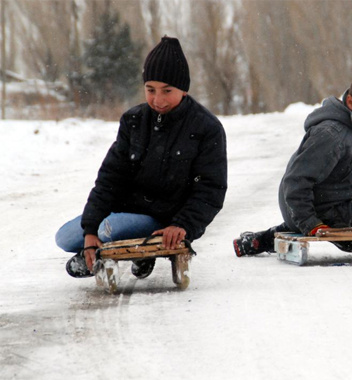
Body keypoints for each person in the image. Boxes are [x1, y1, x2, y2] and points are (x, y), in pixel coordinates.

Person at [56, 36, 227, 279]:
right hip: (125, 211)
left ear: (183, 89)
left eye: (167, 91)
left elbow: (211, 188)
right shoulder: (133, 121)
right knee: (65, 237)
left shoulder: (206, 127)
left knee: (111, 228)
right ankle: (131, 250)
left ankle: (129, 249)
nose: (158, 100)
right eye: (150, 90)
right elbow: (109, 178)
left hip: (165, 219)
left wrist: (183, 225)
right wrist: (90, 230)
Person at [233, 71, 352, 259]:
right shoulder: (330, 135)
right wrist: (310, 223)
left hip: (336, 206)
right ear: (351, 102)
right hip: (301, 205)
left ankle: (284, 232)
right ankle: (268, 238)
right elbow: (295, 181)